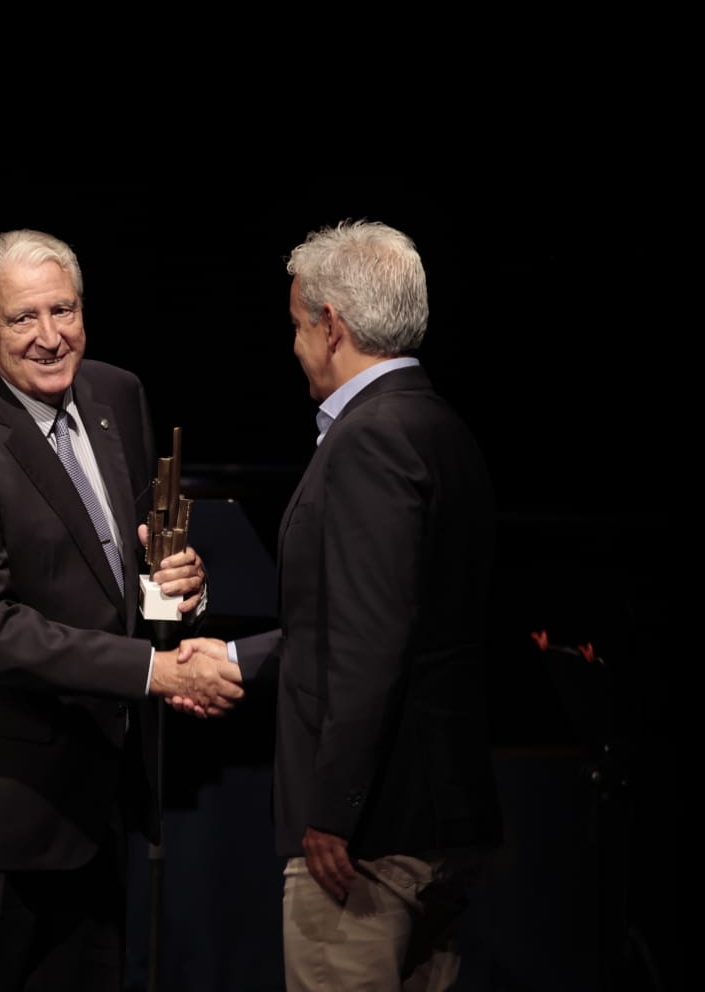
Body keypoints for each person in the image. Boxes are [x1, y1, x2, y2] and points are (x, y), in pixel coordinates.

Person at [0, 228, 244, 990]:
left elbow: (134, 560)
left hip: (101, 804)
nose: (52, 338)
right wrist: (151, 670)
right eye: (24, 318)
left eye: (65, 310)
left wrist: (183, 584)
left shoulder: (118, 394)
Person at [181, 219, 504, 991]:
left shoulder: (372, 439)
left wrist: (333, 810)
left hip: (368, 839)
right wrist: (231, 658)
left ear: (332, 325)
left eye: (297, 325)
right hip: (440, 822)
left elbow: (371, 641)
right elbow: (370, 623)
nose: (293, 346)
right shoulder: (441, 427)